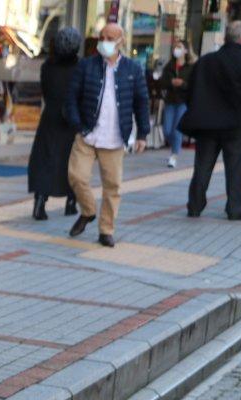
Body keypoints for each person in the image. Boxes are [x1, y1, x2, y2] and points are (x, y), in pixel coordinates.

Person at [64, 22, 150, 248]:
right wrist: (76, 123)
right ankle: (89, 211)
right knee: (77, 176)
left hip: (114, 137)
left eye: (110, 38)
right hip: (87, 134)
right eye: (102, 37)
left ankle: (106, 230)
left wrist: (142, 133)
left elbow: (142, 102)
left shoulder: (133, 69)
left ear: (121, 41)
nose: (105, 42)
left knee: (112, 187)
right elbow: (71, 97)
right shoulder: (86, 66)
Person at [181, 20, 241, 220]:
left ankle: (195, 206)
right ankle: (235, 209)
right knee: (236, 168)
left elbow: (189, 89)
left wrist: (198, 110)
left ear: (225, 38)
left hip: (207, 125)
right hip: (237, 124)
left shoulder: (206, 61)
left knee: (202, 167)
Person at [27, 26, 81, 221]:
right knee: (73, 161)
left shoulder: (47, 67)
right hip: (72, 120)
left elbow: (46, 91)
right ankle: (71, 202)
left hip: (50, 117)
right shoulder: (79, 67)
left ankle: (40, 203)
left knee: (45, 160)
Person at [158, 40, 196, 168]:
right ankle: (174, 147)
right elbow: (162, 83)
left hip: (183, 101)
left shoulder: (190, 67)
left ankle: (174, 155)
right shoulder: (169, 66)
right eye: (175, 47)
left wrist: (183, 84)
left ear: (185, 50)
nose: (176, 49)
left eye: (179, 47)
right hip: (170, 100)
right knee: (167, 129)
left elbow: (194, 85)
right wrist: (171, 83)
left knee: (177, 129)